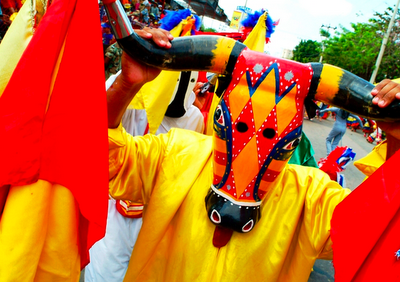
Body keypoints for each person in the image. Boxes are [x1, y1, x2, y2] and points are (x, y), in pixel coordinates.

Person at [105, 27, 400, 282]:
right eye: (242, 123)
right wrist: (126, 83)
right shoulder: (176, 153)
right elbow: (101, 159)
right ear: (223, 111)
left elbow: (377, 231)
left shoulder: (312, 197)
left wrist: (397, 138)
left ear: (295, 129)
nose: (256, 137)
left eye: (273, 132)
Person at [85, 68, 204, 282]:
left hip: (156, 217)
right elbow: (99, 124)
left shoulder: (194, 117)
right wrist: (128, 85)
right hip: (114, 208)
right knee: (104, 273)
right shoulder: (133, 101)